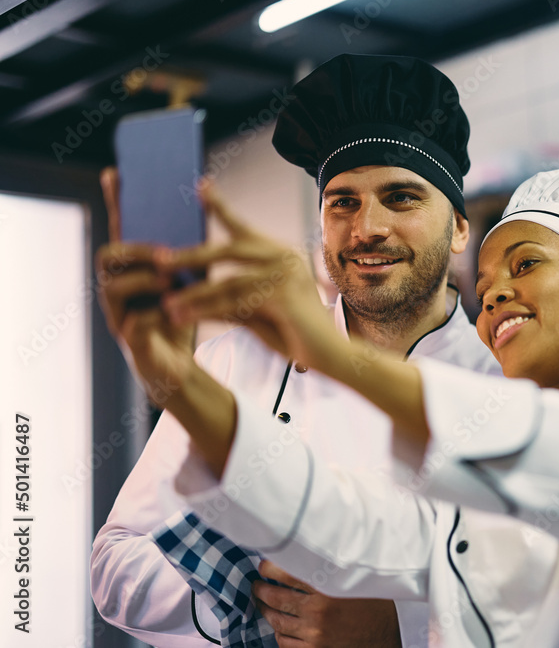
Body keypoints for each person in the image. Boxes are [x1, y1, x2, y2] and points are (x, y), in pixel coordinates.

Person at [140, 167, 559, 646]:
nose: (496, 294)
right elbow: (345, 524)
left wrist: (337, 356)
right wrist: (180, 382)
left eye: (525, 263)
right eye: (483, 287)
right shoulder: (472, 491)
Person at [90, 53, 498, 648]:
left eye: (402, 197)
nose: (367, 229)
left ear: (459, 227)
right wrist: (255, 596)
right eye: (343, 202)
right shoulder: (233, 362)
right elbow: (114, 567)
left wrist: (402, 630)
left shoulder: (506, 387)